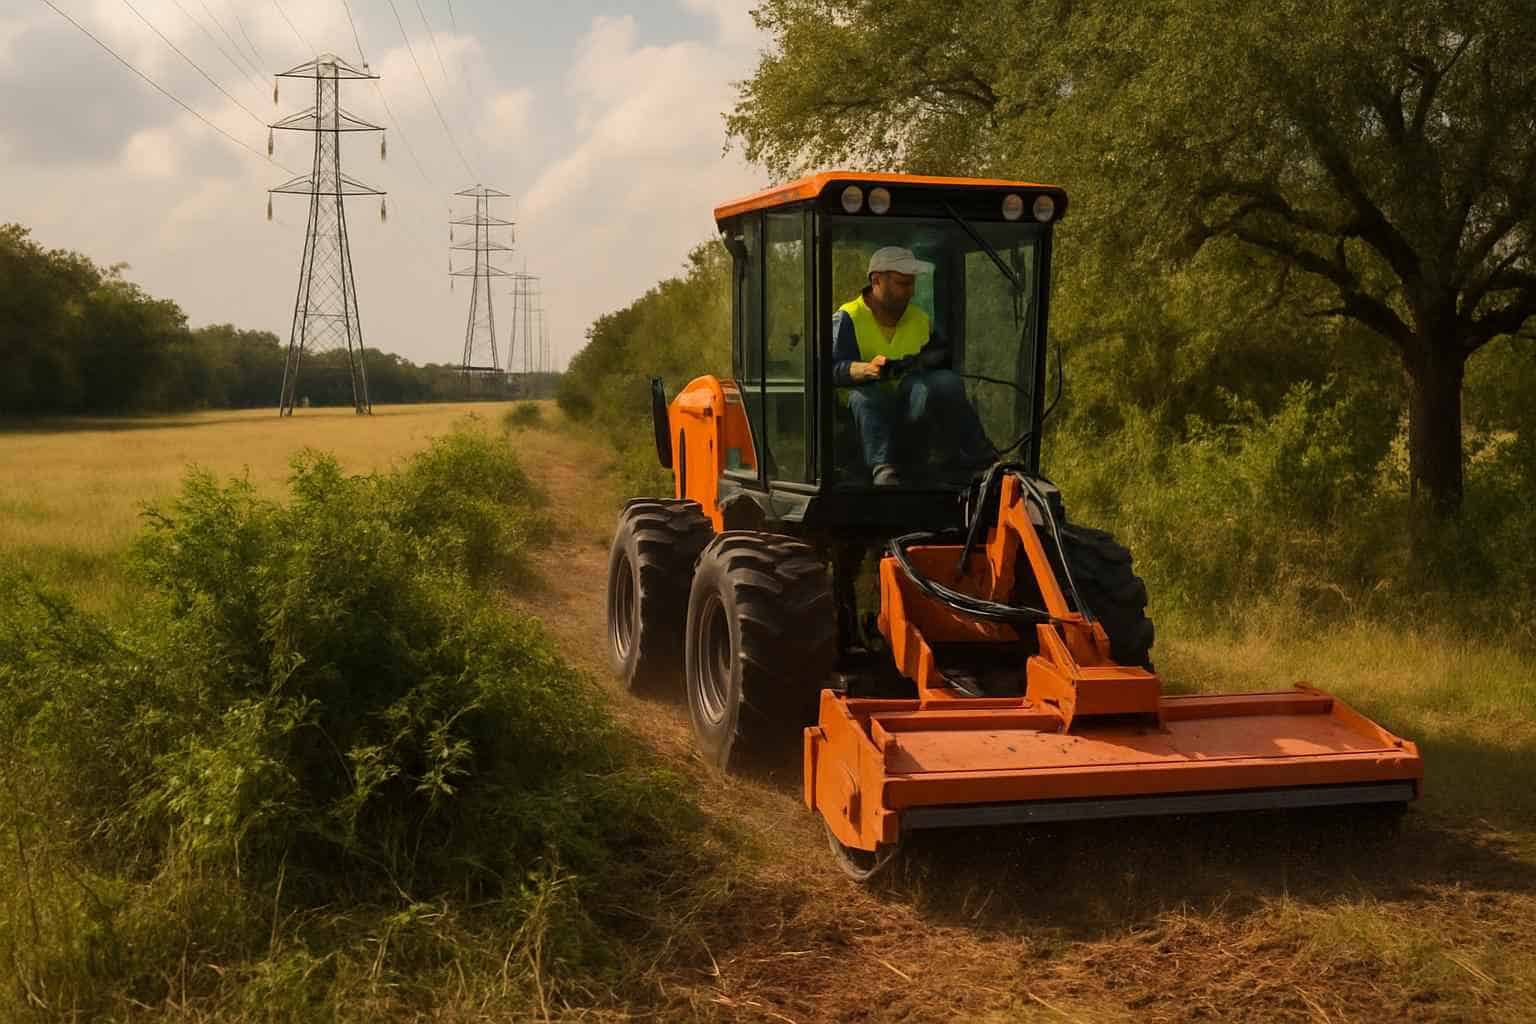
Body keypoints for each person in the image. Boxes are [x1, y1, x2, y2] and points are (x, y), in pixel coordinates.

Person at [833, 246, 997, 485]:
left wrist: (920, 363)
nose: (910, 292)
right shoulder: (848, 318)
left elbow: (941, 362)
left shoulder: (921, 320)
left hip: (910, 409)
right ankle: (884, 472)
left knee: (947, 382)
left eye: (912, 283)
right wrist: (867, 370)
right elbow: (830, 369)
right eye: (902, 283)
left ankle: (982, 460)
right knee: (865, 396)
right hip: (861, 419)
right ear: (876, 280)